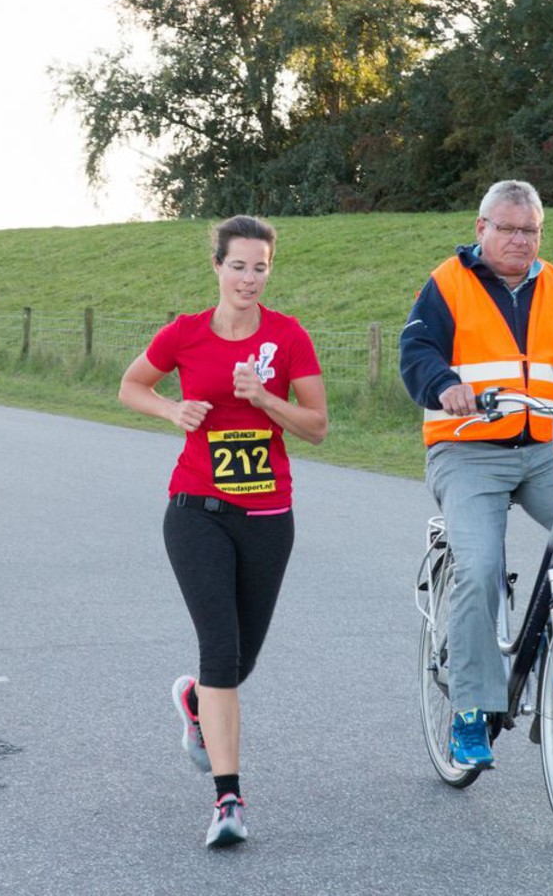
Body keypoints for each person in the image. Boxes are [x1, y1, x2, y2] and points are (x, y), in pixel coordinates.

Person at [400, 179, 553, 770]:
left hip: (546, 446)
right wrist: (444, 385)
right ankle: (470, 709)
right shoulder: (448, 283)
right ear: (482, 229)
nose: (520, 240)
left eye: (530, 230)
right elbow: (417, 352)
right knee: (479, 566)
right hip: (467, 449)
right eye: (507, 228)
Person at [119, 214, 327, 847]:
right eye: (238, 266)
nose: (249, 278)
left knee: (240, 661)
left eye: (260, 268)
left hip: (268, 518)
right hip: (196, 510)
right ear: (217, 266)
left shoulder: (287, 337)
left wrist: (265, 398)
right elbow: (131, 386)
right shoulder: (184, 333)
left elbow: (317, 426)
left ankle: (194, 703)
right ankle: (227, 800)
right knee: (219, 650)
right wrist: (171, 408)